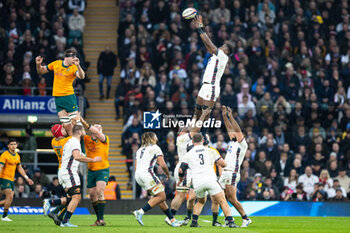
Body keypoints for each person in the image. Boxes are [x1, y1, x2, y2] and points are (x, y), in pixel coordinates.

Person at [43, 125, 101, 227]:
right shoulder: (74, 141)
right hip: (69, 172)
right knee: (76, 197)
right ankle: (56, 210)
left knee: (74, 198)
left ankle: (59, 214)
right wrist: (92, 160)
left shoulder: (67, 141)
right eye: (83, 130)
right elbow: (77, 156)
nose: (85, 132)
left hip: (63, 171)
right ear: (79, 132)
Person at [179, 133, 238, 228]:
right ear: (203, 141)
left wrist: (180, 179)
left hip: (197, 182)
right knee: (222, 200)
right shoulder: (211, 151)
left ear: (193, 142)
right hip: (210, 180)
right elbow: (222, 164)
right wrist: (225, 163)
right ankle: (230, 222)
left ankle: (194, 222)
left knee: (200, 202)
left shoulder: (188, 154)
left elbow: (181, 169)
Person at [169, 108, 212, 225]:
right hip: (185, 168)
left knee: (188, 195)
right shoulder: (181, 138)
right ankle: (171, 217)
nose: (187, 129)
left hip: (191, 169)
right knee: (181, 195)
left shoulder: (188, 139)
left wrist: (195, 113)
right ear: (180, 132)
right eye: (184, 129)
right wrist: (202, 114)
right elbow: (195, 128)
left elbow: (194, 127)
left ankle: (187, 217)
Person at [132, 132, 182, 227]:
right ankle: (140, 211)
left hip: (138, 175)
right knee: (162, 196)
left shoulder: (139, 150)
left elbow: (136, 166)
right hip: (147, 174)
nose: (156, 137)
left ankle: (172, 220)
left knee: (158, 197)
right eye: (155, 136)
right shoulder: (155, 148)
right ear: (152, 138)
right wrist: (167, 174)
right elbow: (162, 164)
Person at [192, 15, 234, 120]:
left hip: (212, 87)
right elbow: (207, 44)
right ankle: (194, 133)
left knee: (205, 113)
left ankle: (204, 135)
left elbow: (209, 43)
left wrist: (200, 28)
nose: (220, 47)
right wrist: (200, 28)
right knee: (197, 111)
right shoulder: (215, 56)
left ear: (227, 52)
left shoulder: (224, 57)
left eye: (223, 47)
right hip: (204, 85)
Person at [35, 49, 85, 136]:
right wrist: (38, 64)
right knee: (66, 125)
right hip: (58, 98)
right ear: (66, 57)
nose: (75, 59)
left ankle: (81, 147)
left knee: (75, 123)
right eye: (73, 57)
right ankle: (72, 144)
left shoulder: (74, 67)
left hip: (68, 97)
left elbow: (82, 76)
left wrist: (78, 66)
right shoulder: (56, 63)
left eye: (75, 57)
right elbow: (41, 71)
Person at [218, 106, 252, 227]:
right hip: (226, 173)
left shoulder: (243, 144)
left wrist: (231, 116)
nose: (233, 133)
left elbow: (236, 129)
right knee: (217, 195)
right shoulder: (233, 142)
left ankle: (245, 218)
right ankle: (227, 219)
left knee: (231, 199)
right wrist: (224, 116)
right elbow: (229, 128)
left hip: (231, 173)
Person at [80, 116, 110, 226]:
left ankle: (101, 219)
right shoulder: (86, 139)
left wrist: (84, 121)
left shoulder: (104, 139)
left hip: (103, 169)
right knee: (92, 195)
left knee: (99, 191)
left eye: (100, 128)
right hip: (91, 170)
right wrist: (76, 120)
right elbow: (79, 130)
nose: (99, 129)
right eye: (97, 127)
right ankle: (98, 219)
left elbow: (98, 133)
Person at [0, 139, 34, 221]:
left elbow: (20, 168)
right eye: (11, 144)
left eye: (14, 144)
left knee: (9, 199)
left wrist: (26, 178)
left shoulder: (17, 156)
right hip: (4, 178)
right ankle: (4, 216)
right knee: (10, 197)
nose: (13, 146)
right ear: (8, 146)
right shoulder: (4, 155)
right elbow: (0, 167)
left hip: (11, 179)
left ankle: (4, 216)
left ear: (16, 145)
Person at [46, 124, 72, 226]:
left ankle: (59, 217)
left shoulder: (54, 141)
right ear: (60, 132)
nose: (64, 129)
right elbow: (76, 136)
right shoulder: (66, 141)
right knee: (74, 197)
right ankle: (52, 204)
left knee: (71, 198)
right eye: (62, 128)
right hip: (67, 171)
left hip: (61, 170)